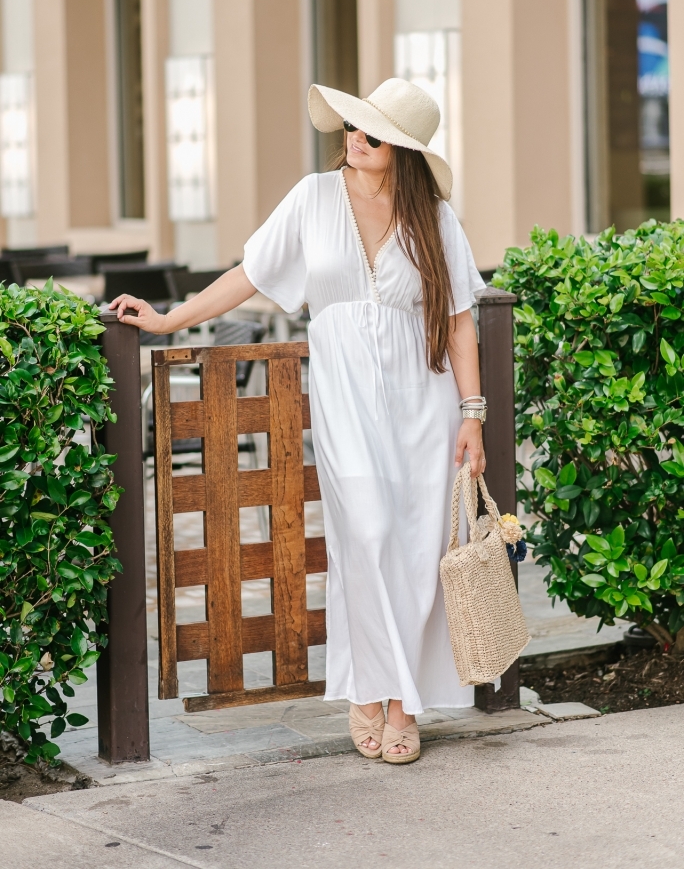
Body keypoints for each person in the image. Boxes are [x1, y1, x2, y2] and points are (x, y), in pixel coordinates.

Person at [110, 78, 486, 765]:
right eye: (351, 127)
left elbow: (460, 321)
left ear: (400, 150)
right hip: (347, 403)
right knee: (367, 536)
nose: (353, 140)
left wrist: (472, 414)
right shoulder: (313, 198)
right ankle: (366, 685)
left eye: (371, 135)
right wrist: (171, 319)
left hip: (426, 405)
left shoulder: (432, 217)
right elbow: (250, 273)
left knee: (418, 553)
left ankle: (400, 702)